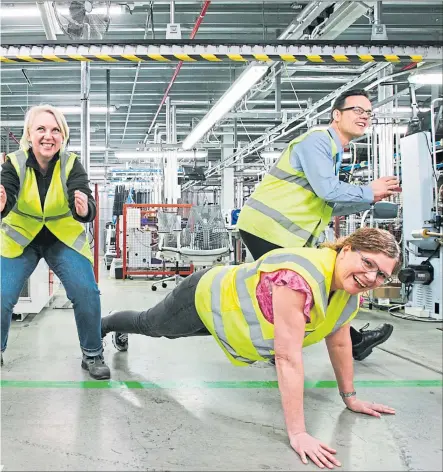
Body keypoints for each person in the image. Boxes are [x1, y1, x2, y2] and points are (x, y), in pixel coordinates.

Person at [101, 227, 400, 469]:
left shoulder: (349, 294)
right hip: (204, 298)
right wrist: (298, 434)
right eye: (368, 263)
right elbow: (286, 357)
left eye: (382, 275)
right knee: (152, 326)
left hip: (229, 322)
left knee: (166, 332)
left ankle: (114, 323)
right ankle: (106, 323)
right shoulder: (300, 278)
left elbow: (338, 340)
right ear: (346, 250)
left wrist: (350, 398)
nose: (371, 278)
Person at [236, 89, 402, 361]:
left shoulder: (332, 153)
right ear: (336, 115)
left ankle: (346, 342)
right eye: (357, 111)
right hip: (269, 227)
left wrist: (370, 199)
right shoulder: (317, 142)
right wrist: (368, 191)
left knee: (305, 289)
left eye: (368, 113)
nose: (364, 117)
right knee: (308, 287)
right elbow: (328, 190)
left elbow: (329, 203)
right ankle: (282, 348)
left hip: (281, 232)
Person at [0, 104, 110, 380]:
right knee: (1, 294)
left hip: (62, 238)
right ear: (28, 134)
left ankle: (93, 353)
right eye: (41, 129)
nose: (48, 136)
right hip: (22, 238)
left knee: (86, 291)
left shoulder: (72, 164)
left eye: (55, 130)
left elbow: (85, 199)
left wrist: (85, 210)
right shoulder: (12, 164)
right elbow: (7, 196)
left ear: (63, 136)